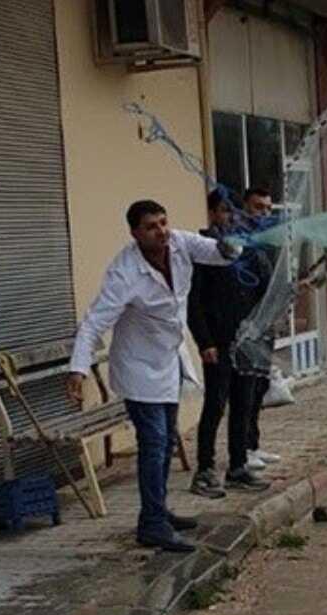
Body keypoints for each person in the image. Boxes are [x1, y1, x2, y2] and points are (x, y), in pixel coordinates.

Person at [67, 199, 240, 552]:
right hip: (138, 367)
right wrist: (78, 369)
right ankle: (152, 525)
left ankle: (159, 511)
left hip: (168, 359)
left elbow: (218, 253)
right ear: (134, 233)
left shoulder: (180, 242)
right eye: (151, 227)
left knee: (165, 443)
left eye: (163, 222)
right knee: (155, 443)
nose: (161, 231)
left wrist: (229, 246)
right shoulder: (124, 273)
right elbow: (93, 323)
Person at [186, 190, 272, 498]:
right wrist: (204, 341)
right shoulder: (203, 251)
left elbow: (265, 290)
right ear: (211, 213)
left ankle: (237, 467)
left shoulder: (248, 251)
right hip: (218, 344)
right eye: (223, 211)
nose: (230, 217)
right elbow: (193, 303)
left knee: (243, 405)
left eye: (233, 212)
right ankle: (205, 469)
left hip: (246, 342)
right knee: (215, 405)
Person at [238, 187, 282, 468]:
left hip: (265, 327)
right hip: (246, 331)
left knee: (260, 387)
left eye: (268, 209)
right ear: (244, 207)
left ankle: (253, 445)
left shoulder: (268, 245)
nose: (264, 214)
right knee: (246, 391)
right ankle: (241, 451)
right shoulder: (241, 243)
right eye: (258, 208)